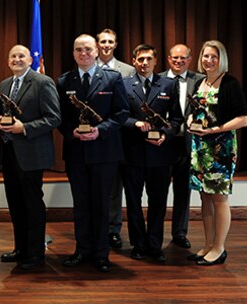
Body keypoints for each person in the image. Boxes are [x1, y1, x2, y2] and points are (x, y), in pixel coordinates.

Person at [57, 34, 128, 272]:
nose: (83, 53)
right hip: (77, 152)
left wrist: (100, 131)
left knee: (101, 205)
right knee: (81, 205)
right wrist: (71, 132)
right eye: (78, 50)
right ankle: (82, 250)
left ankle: (101, 253)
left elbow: (121, 113)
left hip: (104, 152)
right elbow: (60, 119)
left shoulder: (112, 78)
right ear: (73, 53)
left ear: (97, 51)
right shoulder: (64, 81)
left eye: (88, 49)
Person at [0, 45, 61, 271]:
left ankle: (35, 254)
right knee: (16, 204)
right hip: (9, 153)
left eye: (21, 55)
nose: (16, 59)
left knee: (32, 205)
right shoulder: (4, 84)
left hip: (31, 154)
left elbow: (54, 118)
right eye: (12, 56)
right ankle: (20, 249)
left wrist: (25, 128)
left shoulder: (43, 82)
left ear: (30, 59)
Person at [188, 40, 247, 265]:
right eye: (206, 56)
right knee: (204, 197)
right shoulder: (200, 83)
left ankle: (219, 247)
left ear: (221, 59)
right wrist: (189, 121)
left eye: (214, 56)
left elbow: (243, 119)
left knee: (219, 198)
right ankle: (207, 244)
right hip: (200, 148)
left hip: (220, 149)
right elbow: (194, 111)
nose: (209, 60)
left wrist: (216, 129)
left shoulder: (230, 83)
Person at [121, 44, 183, 263]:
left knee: (158, 202)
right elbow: (120, 116)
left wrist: (166, 133)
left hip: (160, 153)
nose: (144, 63)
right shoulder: (125, 84)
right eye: (140, 59)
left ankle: (155, 245)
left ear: (156, 61)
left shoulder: (169, 84)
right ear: (134, 61)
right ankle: (138, 245)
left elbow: (177, 119)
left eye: (148, 59)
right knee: (134, 202)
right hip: (133, 154)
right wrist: (134, 122)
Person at [159, 44, 205, 249]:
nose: (178, 61)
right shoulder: (157, 79)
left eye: (183, 58)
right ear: (169, 59)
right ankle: (155, 233)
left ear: (190, 59)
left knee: (183, 191)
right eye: (175, 58)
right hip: (162, 143)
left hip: (188, 144)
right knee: (158, 191)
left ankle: (179, 232)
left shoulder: (201, 80)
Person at [96, 28, 134, 249]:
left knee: (114, 188)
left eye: (110, 41)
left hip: (119, 136)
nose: (106, 45)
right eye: (103, 41)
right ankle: (96, 228)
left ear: (116, 44)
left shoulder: (128, 71)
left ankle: (113, 230)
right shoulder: (88, 67)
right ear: (97, 44)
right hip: (93, 136)